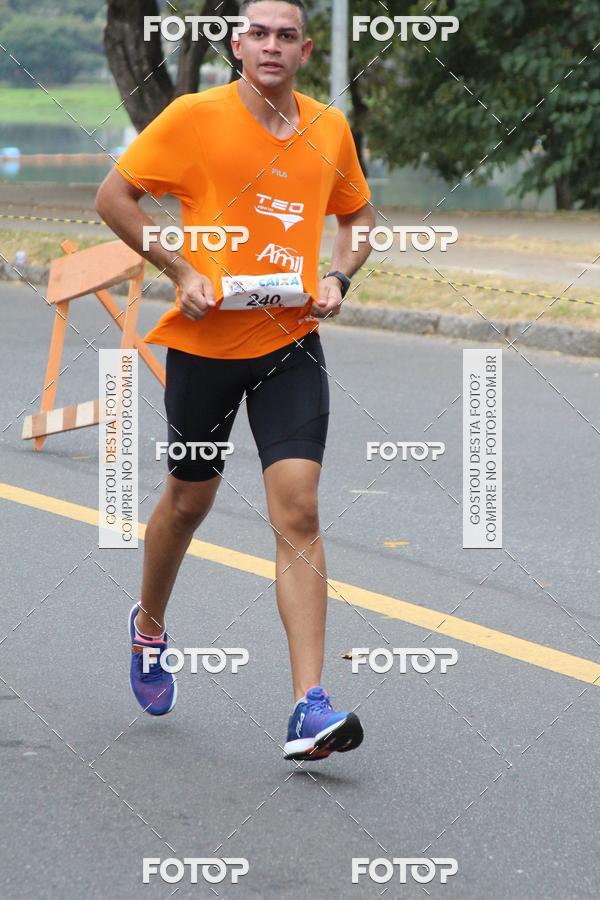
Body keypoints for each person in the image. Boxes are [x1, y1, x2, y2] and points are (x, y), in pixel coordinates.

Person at [95, 0, 375, 761]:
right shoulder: (193, 117)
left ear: (306, 50)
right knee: (190, 501)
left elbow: (358, 220)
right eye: (258, 33)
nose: (272, 46)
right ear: (236, 44)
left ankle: (308, 708)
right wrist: (179, 268)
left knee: (301, 510)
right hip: (204, 345)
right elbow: (114, 198)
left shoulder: (329, 129)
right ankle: (149, 625)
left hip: (290, 342)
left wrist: (338, 278)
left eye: (287, 35)